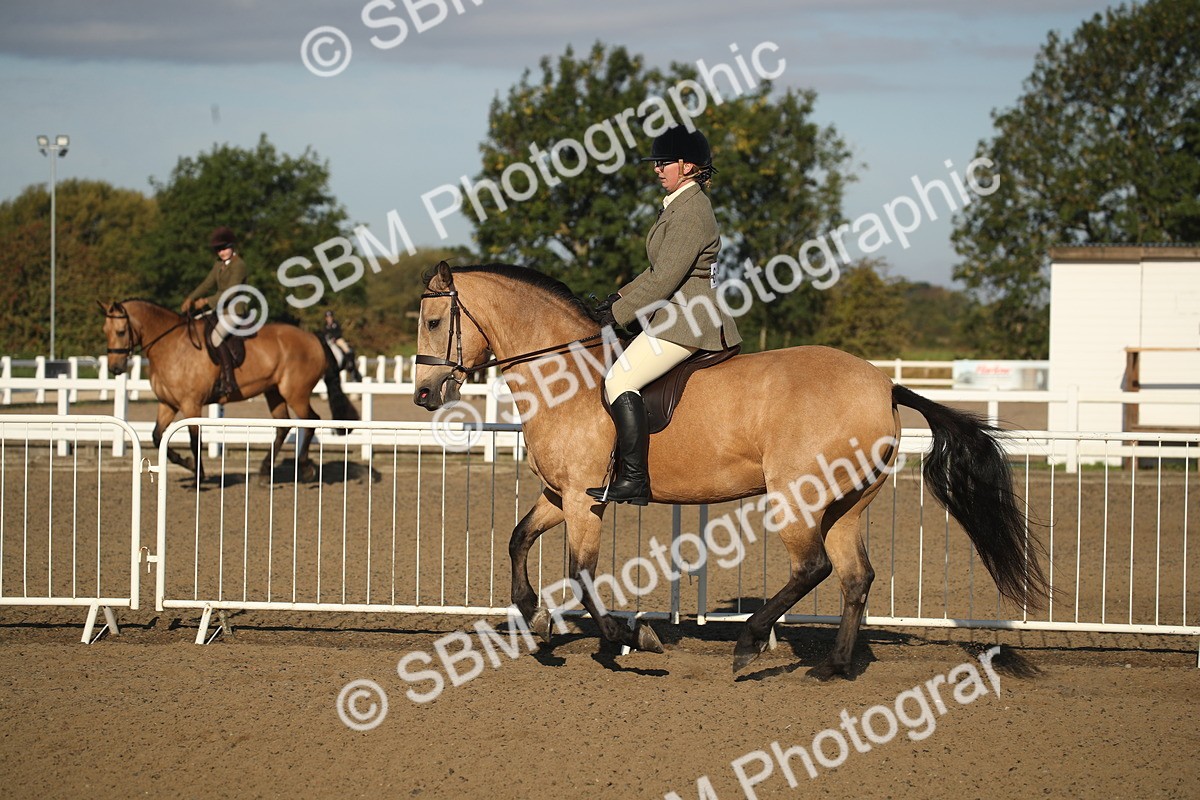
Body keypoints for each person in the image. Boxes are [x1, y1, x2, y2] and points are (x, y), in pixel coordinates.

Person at [586, 125, 741, 506]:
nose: (657, 168)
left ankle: (634, 479)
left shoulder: (691, 212)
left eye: (664, 162)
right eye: (657, 162)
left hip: (688, 321)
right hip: (678, 313)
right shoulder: (681, 204)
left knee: (620, 379)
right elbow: (656, 271)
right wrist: (615, 299)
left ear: (687, 166)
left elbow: (665, 278)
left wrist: (618, 315)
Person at [181, 226, 248, 399]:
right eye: (219, 249)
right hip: (220, 309)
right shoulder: (218, 265)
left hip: (234, 310)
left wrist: (206, 301)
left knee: (216, 338)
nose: (222, 252)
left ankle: (229, 380)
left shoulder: (239, 265)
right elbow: (206, 283)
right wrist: (191, 298)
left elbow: (231, 292)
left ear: (232, 247)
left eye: (225, 248)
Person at [323, 310, 362, 382]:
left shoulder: (336, 324)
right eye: (328, 317)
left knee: (346, 348)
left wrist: (334, 338)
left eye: (330, 317)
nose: (329, 319)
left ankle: (350, 362)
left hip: (337, 340)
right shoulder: (325, 326)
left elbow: (339, 332)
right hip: (329, 342)